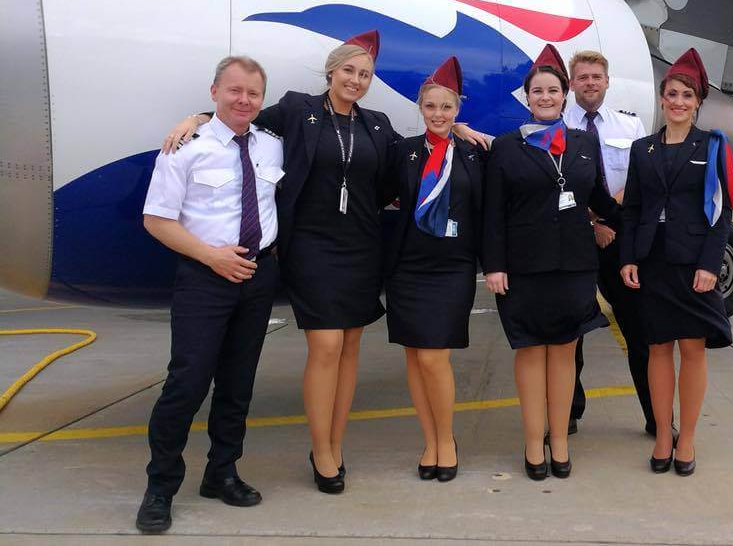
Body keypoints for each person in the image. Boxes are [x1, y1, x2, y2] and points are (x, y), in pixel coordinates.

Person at [160, 32, 485, 494]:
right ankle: (322, 449)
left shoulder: (376, 125)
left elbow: (418, 156)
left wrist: (457, 130)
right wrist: (197, 117)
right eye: (349, 71)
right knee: (327, 345)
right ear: (331, 72)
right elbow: (240, 118)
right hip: (312, 247)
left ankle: (335, 441)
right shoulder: (298, 110)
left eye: (365, 75)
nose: (356, 80)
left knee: (350, 346)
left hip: (362, 246)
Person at [137, 56, 282, 533]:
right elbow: (156, 220)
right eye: (234, 91)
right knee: (187, 383)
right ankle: (160, 488)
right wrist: (210, 256)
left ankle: (222, 473)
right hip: (205, 278)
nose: (244, 100)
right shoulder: (185, 148)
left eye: (253, 94)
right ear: (215, 91)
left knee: (238, 385)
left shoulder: (272, 146)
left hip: (259, 276)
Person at [483, 44, 620, 481]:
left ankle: (558, 440)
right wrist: (494, 265)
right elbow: (493, 213)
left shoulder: (582, 144)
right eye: (537, 91)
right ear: (527, 98)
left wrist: (643, 219)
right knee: (529, 351)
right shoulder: (506, 147)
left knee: (564, 352)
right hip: (523, 268)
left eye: (553, 90)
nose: (545, 97)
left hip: (574, 267)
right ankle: (532, 441)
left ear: (565, 97)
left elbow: (598, 199)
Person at [619, 48, 733, 477]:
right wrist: (628, 257)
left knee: (691, 349)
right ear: (661, 98)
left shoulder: (711, 147)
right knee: (656, 348)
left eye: (686, 95)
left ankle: (687, 437)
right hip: (652, 262)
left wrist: (711, 265)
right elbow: (632, 209)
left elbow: (721, 212)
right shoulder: (643, 149)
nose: (677, 102)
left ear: (698, 102)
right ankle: (662, 436)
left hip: (693, 265)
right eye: (671, 93)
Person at [383, 56, 484, 482]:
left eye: (446, 108)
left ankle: (446, 438)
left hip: (452, 269)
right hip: (408, 268)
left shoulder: (475, 155)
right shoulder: (402, 153)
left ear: (457, 109)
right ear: (420, 109)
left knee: (434, 357)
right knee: (415, 356)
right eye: (431, 107)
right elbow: (380, 196)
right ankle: (431, 441)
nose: (439, 115)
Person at [563, 49, 664, 438]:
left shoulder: (630, 127)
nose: (590, 83)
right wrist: (592, 225)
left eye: (596, 77)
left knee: (640, 331)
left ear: (607, 82)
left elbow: (641, 184)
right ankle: (569, 412)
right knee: (571, 333)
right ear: (572, 84)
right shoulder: (555, 124)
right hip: (574, 240)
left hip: (619, 242)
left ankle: (655, 416)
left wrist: (606, 219)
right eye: (583, 77)